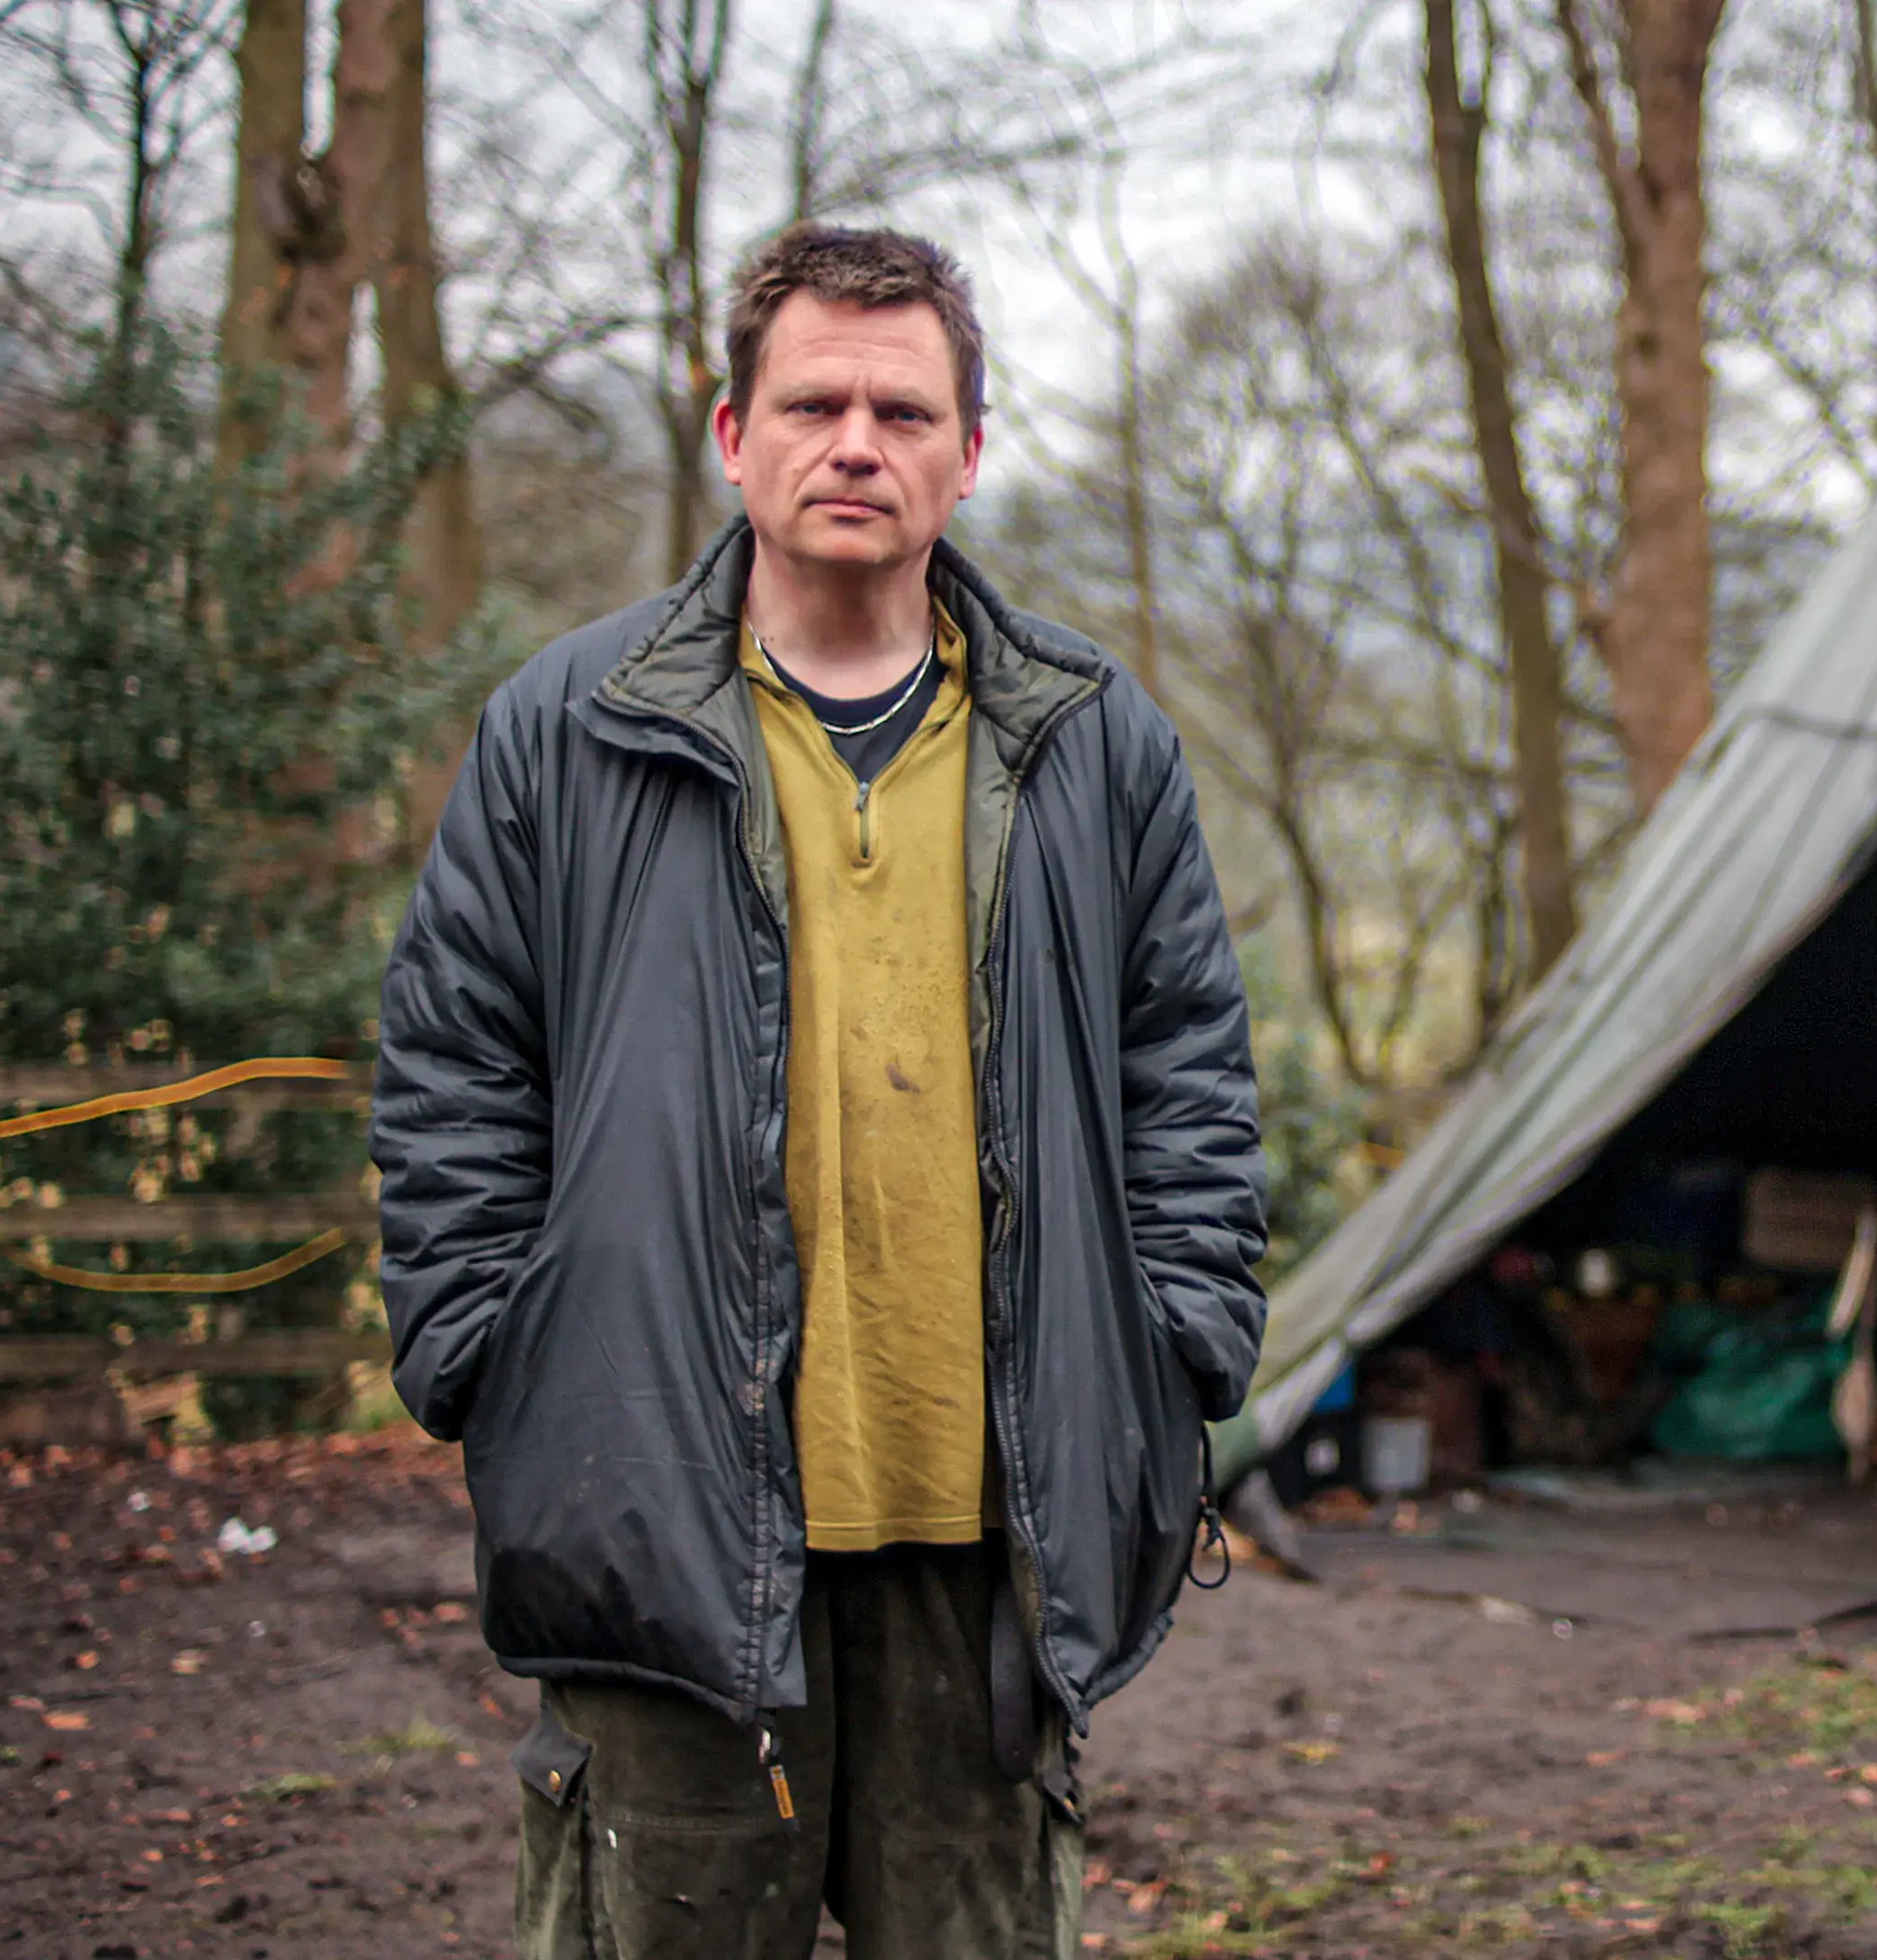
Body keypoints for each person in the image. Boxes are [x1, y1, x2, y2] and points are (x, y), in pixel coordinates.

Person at [369, 224, 1267, 1960]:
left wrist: (1176, 1348)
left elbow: (1190, 1073)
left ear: (969, 453)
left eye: (904, 410)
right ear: (733, 435)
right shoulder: (570, 726)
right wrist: (491, 1354)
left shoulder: (1094, 742)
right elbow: (455, 1066)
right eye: (815, 403)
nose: (857, 442)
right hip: (660, 1513)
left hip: (983, 1529)